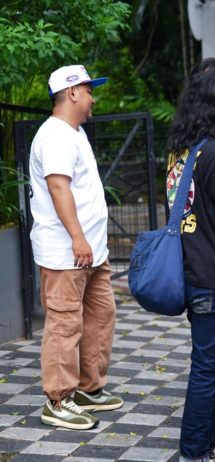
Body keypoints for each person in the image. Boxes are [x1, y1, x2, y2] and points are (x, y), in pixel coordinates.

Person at [29, 65, 123, 431]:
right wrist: (78, 238)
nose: (92, 98)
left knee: (100, 315)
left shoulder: (75, 132)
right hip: (66, 252)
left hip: (91, 252)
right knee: (64, 324)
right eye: (88, 90)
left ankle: (87, 388)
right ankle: (57, 400)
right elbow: (58, 188)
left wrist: (91, 243)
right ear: (71, 92)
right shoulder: (54, 136)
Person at [166, 57, 215, 462]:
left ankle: (203, 446)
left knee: (204, 363)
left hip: (190, 272)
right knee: (207, 368)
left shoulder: (181, 152)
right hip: (214, 275)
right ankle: (194, 451)